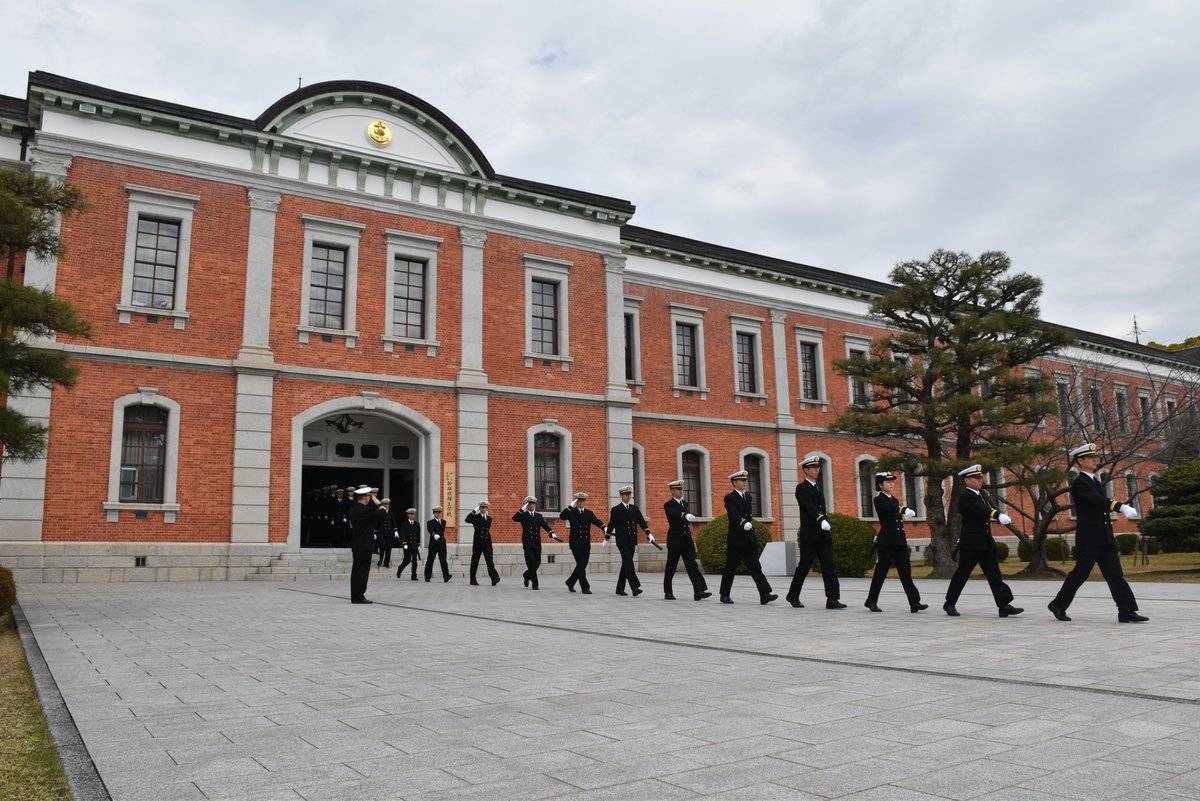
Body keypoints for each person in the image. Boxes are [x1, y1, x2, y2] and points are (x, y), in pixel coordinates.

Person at [1049, 443, 1147, 623]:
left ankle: (1126, 611)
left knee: (1115, 574)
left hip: (1104, 536)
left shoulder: (1094, 481)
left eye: (1096, 457)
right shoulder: (1079, 483)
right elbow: (1097, 500)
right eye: (1091, 457)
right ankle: (1058, 605)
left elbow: (1100, 501)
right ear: (1080, 461)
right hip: (1090, 538)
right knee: (1080, 574)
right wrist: (1120, 506)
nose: (1096, 460)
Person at [944, 465, 1023, 618]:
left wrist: (996, 514)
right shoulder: (965, 496)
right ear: (967, 480)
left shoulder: (982, 494)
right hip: (971, 543)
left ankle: (1003, 605)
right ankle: (949, 603)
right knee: (962, 574)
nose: (981, 480)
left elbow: (985, 509)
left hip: (985, 541)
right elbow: (979, 510)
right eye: (977, 478)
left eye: (981, 477)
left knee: (994, 574)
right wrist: (997, 514)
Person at [785, 456, 845, 610]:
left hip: (823, 535)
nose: (817, 470)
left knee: (829, 566)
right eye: (813, 468)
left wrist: (824, 523)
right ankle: (793, 596)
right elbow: (809, 506)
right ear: (806, 470)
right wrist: (821, 519)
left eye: (818, 468)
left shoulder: (818, 487)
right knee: (804, 566)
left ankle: (832, 599)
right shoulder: (801, 488)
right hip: (810, 535)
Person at [865, 471, 927, 613]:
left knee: (906, 573)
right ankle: (871, 601)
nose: (891, 484)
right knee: (881, 573)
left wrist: (901, 508)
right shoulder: (879, 499)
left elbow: (894, 510)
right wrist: (904, 509)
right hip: (887, 541)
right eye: (887, 482)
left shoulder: (893, 499)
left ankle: (914, 602)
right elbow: (887, 509)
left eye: (892, 482)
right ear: (880, 485)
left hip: (899, 540)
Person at [718, 470, 777, 605]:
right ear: (734, 482)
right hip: (736, 538)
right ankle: (724, 594)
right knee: (731, 567)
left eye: (745, 480)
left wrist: (748, 524)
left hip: (748, 537)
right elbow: (733, 514)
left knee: (756, 566)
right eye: (741, 480)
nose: (744, 482)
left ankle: (764, 594)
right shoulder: (730, 498)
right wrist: (743, 522)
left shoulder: (748, 497)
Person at [663, 479, 710, 600]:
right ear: (672, 491)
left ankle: (698, 591)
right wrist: (684, 515)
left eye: (681, 489)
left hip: (686, 540)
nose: (681, 491)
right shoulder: (668, 505)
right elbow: (673, 514)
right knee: (671, 567)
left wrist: (686, 515)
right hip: (675, 540)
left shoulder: (685, 503)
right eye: (678, 489)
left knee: (692, 565)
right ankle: (668, 592)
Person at [607, 485, 656, 597]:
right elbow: (611, 525)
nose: (627, 496)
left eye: (629, 494)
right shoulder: (616, 510)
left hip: (632, 541)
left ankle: (619, 588)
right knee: (629, 563)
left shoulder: (634, 508)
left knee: (626, 564)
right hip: (622, 541)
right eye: (625, 494)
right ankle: (635, 587)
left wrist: (649, 533)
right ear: (621, 496)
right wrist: (607, 537)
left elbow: (642, 522)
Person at [560, 492, 607, 594]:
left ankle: (570, 582)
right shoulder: (571, 512)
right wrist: (570, 507)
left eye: (582, 501)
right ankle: (585, 587)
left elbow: (596, 521)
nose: (581, 502)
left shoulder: (589, 513)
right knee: (581, 564)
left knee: (582, 565)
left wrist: (604, 527)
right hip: (575, 543)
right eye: (579, 501)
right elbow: (562, 516)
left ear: (585, 501)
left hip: (586, 543)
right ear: (576, 502)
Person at [513, 496, 561, 590]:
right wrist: (522, 509)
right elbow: (514, 518)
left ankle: (526, 575)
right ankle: (535, 584)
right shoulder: (523, 515)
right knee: (530, 563)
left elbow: (545, 525)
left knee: (537, 563)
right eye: (530, 504)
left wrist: (551, 532)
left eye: (533, 504)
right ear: (527, 505)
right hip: (527, 543)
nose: (532, 505)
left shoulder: (538, 516)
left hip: (536, 543)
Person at [348, 486, 378, 604]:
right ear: (366, 497)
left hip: (356, 544)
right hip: (366, 545)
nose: (370, 499)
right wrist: (376, 500)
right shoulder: (368, 510)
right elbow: (383, 513)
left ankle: (354, 595)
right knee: (363, 571)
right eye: (369, 496)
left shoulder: (353, 510)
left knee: (356, 570)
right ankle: (359, 596)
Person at [465, 501, 500, 586]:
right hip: (478, 543)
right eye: (481, 507)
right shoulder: (475, 517)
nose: (483, 509)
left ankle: (494, 578)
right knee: (475, 561)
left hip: (487, 542)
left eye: (485, 507)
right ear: (479, 508)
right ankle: (472, 580)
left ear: (487, 508)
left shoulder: (489, 518)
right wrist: (474, 510)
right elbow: (467, 520)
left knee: (490, 561)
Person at [424, 506, 452, 583]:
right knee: (430, 561)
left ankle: (446, 576)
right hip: (433, 544)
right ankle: (427, 576)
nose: (438, 514)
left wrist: (437, 535)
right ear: (434, 513)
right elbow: (430, 530)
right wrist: (433, 534)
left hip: (442, 543)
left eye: (439, 512)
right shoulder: (430, 522)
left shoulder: (443, 522)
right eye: (436, 512)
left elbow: (441, 531)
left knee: (443, 561)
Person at [395, 507, 422, 580]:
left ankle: (414, 576)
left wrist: (419, 544)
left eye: (413, 514)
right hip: (407, 544)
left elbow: (418, 534)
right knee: (407, 560)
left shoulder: (417, 524)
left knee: (415, 562)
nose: (412, 515)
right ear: (408, 515)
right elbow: (402, 534)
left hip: (414, 545)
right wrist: (404, 543)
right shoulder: (404, 524)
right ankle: (400, 569)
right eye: (411, 514)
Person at [376, 498, 396, 568]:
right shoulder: (380, 512)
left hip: (389, 532)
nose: (387, 505)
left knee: (389, 548)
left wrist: (395, 530)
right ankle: (380, 560)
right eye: (386, 504)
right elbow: (378, 522)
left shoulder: (390, 512)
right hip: (382, 532)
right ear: (383, 505)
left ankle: (386, 562)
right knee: (382, 546)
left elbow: (393, 522)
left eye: (388, 504)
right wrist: (375, 532)